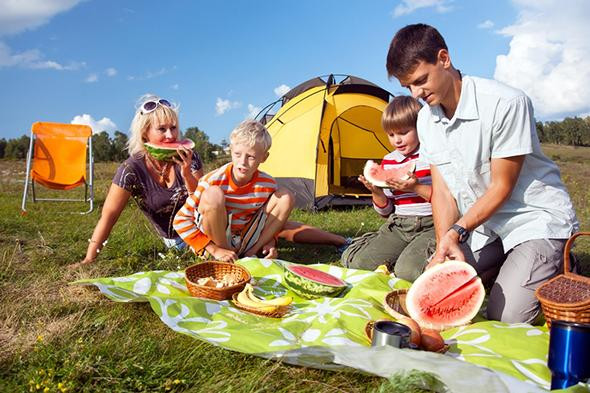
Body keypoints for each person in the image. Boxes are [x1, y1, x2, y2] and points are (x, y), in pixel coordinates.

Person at [385, 23, 579, 323]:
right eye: (408, 86)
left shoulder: (506, 103)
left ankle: (560, 263)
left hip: (532, 220)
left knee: (507, 315)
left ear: (444, 59)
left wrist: (457, 231)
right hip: (485, 228)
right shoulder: (425, 120)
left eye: (421, 80)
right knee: (428, 278)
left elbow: (501, 187)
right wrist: (442, 246)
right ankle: (509, 267)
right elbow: (443, 192)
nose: (417, 93)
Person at [173, 119, 349, 262]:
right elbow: (180, 221)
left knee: (285, 196)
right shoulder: (212, 179)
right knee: (213, 194)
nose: (242, 162)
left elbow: (267, 222)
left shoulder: (267, 184)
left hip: (245, 239)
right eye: (237, 154)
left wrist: (270, 242)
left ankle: (252, 255)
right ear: (231, 150)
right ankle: (221, 258)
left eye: (250, 156)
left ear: (264, 158)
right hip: (215, 242)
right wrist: (214, 249)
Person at [70, 94, 204, 268]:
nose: (170, 135)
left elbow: (205, 204)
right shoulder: (130, 170)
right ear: (145, 133)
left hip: (204, 229)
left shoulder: (189, 158)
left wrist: (186, 174)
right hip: (177, 243)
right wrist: (89, 259)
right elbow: (109, 216)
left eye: (174, 127)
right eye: (162, 129)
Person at [341, 96, 435, 281]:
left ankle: (414, 260)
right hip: (399, 225)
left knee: (407, 272)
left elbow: (447, 200)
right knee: (357, 263)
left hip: (431, 224)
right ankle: (397, 259)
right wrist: (376, 191)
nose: (397, 140)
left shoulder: (432, 155)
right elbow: (386, 211)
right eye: (391, 135)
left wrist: (416, 187)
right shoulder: (389, 161)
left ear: (420, 127)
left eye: (403, 132)